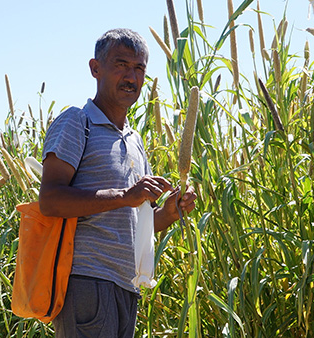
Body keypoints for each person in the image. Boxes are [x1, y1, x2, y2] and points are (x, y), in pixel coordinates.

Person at [38, 28, 197, 337]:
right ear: (95, 69)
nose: (131, 77)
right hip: (87, 283)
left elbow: (136, 224)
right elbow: (51, 200)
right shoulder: (76, 121)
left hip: (126, 286)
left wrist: (169, 212)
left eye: (139, 69)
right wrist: (125, 195)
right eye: (121, 64)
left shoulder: (135, 141)